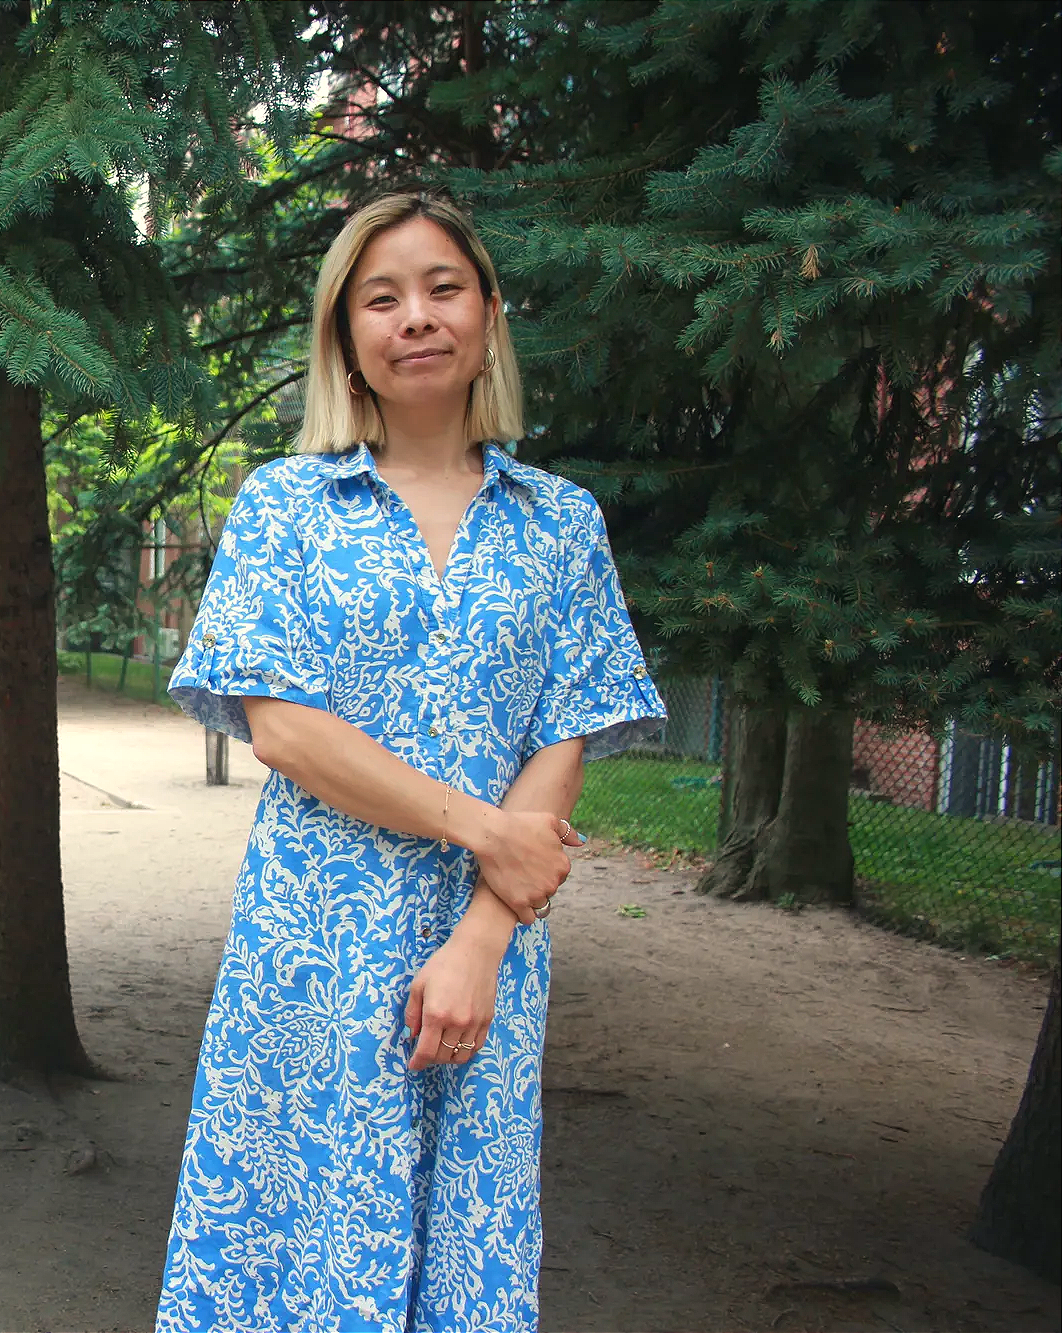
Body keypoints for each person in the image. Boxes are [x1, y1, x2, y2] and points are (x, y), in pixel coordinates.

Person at [157, 191, 667, 1332]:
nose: (416, 317)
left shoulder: (560, 523)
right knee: (291, 1235)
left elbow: (564, 734)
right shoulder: (285, 508)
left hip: (489, 944)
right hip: (312, 943)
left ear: (489, 314)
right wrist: (485, 830)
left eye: (443, 288)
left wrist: (481, 939)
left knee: (464, 1229)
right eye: (380, 299)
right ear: (345, 338)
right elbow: (281, 727)